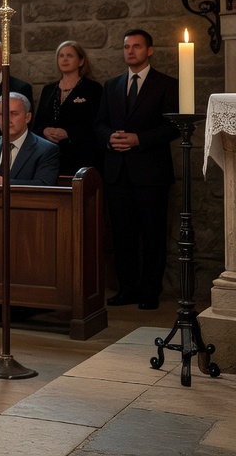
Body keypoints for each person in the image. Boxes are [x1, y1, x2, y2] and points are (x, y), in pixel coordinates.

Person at [95, 29, 179, 310]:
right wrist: (110, 138)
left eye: (137, 46)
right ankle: (127, 288)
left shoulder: (166, 84)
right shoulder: (112, 85)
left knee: (153, 234)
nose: (130, 51)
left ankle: (150, 291)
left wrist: (139, 139)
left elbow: (173, 127)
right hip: (117, 171)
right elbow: (100, 123)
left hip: (151, 171)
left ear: (149, 50)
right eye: (126, 47)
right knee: (122, 234)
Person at [32, 40, 104, 176]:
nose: (64, 59)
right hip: (51, 158)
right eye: (61, 56)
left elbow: (96, 126)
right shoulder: (49, 90)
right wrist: (45, 131)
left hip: (81, 157)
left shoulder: (93, 89)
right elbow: (37, 125)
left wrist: (69, 133)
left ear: (81, 61)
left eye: (70, 56)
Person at [0, 93, 61, 186]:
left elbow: (44, 185)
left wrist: (4, 183)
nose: (7, 119)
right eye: (2, 114)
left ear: (27, 117)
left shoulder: (46, 150)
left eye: (14, 114)